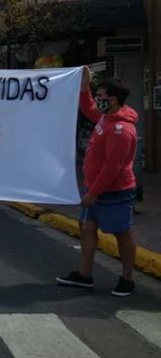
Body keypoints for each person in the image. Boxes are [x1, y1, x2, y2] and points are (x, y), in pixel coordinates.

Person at [56, 68, 138, 297]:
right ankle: (84, 275)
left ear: (113, 100)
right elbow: (88, 108)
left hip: (114, 192)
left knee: (122, 233)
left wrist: (93, 193)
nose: (98, 100)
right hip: (93, 188)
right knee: (87, 228)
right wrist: (85, 86)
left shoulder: (121, 130)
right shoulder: (106, 117)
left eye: (101, 96)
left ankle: (127, 279)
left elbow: (113, 167)